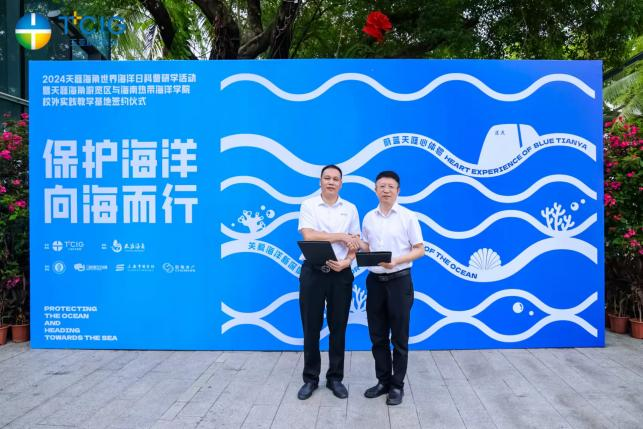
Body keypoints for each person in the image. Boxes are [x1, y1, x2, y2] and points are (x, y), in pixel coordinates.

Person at [359, 170, 424, 406]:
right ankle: (383, 381)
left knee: (399, 337)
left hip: (399, 281)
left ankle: (397, 385)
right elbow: (368, 247)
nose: (386, 190)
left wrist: (396, 261)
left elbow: (419, 249)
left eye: (390, 186)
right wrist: (357, 243)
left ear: (398, 190)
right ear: (375, 190)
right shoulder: (369, 217)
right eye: (382, 186)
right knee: (377, 336)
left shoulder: (408, 217)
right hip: (375, 282)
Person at [297, 164, 361, 400]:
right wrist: (340, 236)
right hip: (313, 272)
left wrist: (347, 261)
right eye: (327, 178)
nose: (331, 182)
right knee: (311, 327)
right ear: (320, 181)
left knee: (338, 327)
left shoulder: (350, 208)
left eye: (336, 179)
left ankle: (335, 378)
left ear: (341, 183)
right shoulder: (309, 205)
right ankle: (310, 379)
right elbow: (308, 235)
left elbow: (355, 241)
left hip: (340, 273)